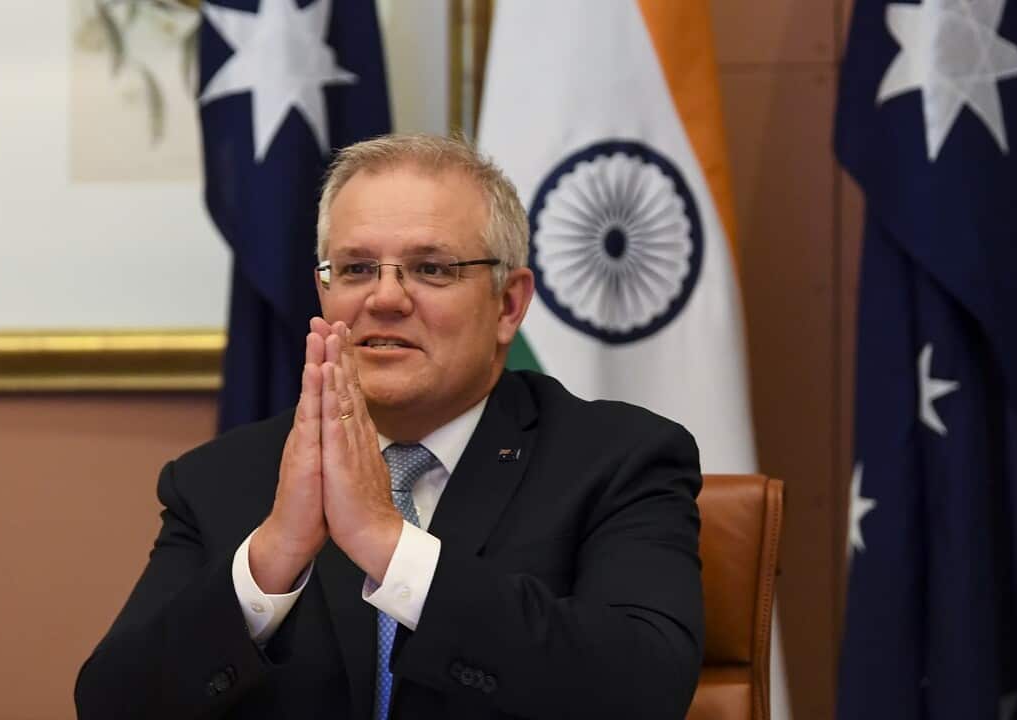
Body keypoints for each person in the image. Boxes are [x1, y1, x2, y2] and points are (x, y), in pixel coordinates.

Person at [74, 134, 704, 719]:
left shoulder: (618, 460)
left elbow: (643, 690)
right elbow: (111, 704)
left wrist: (388, 544)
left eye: (431, 268)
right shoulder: (220, 480)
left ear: (508, 304)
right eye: (354, 269)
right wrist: (272, 560)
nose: (385, 299)